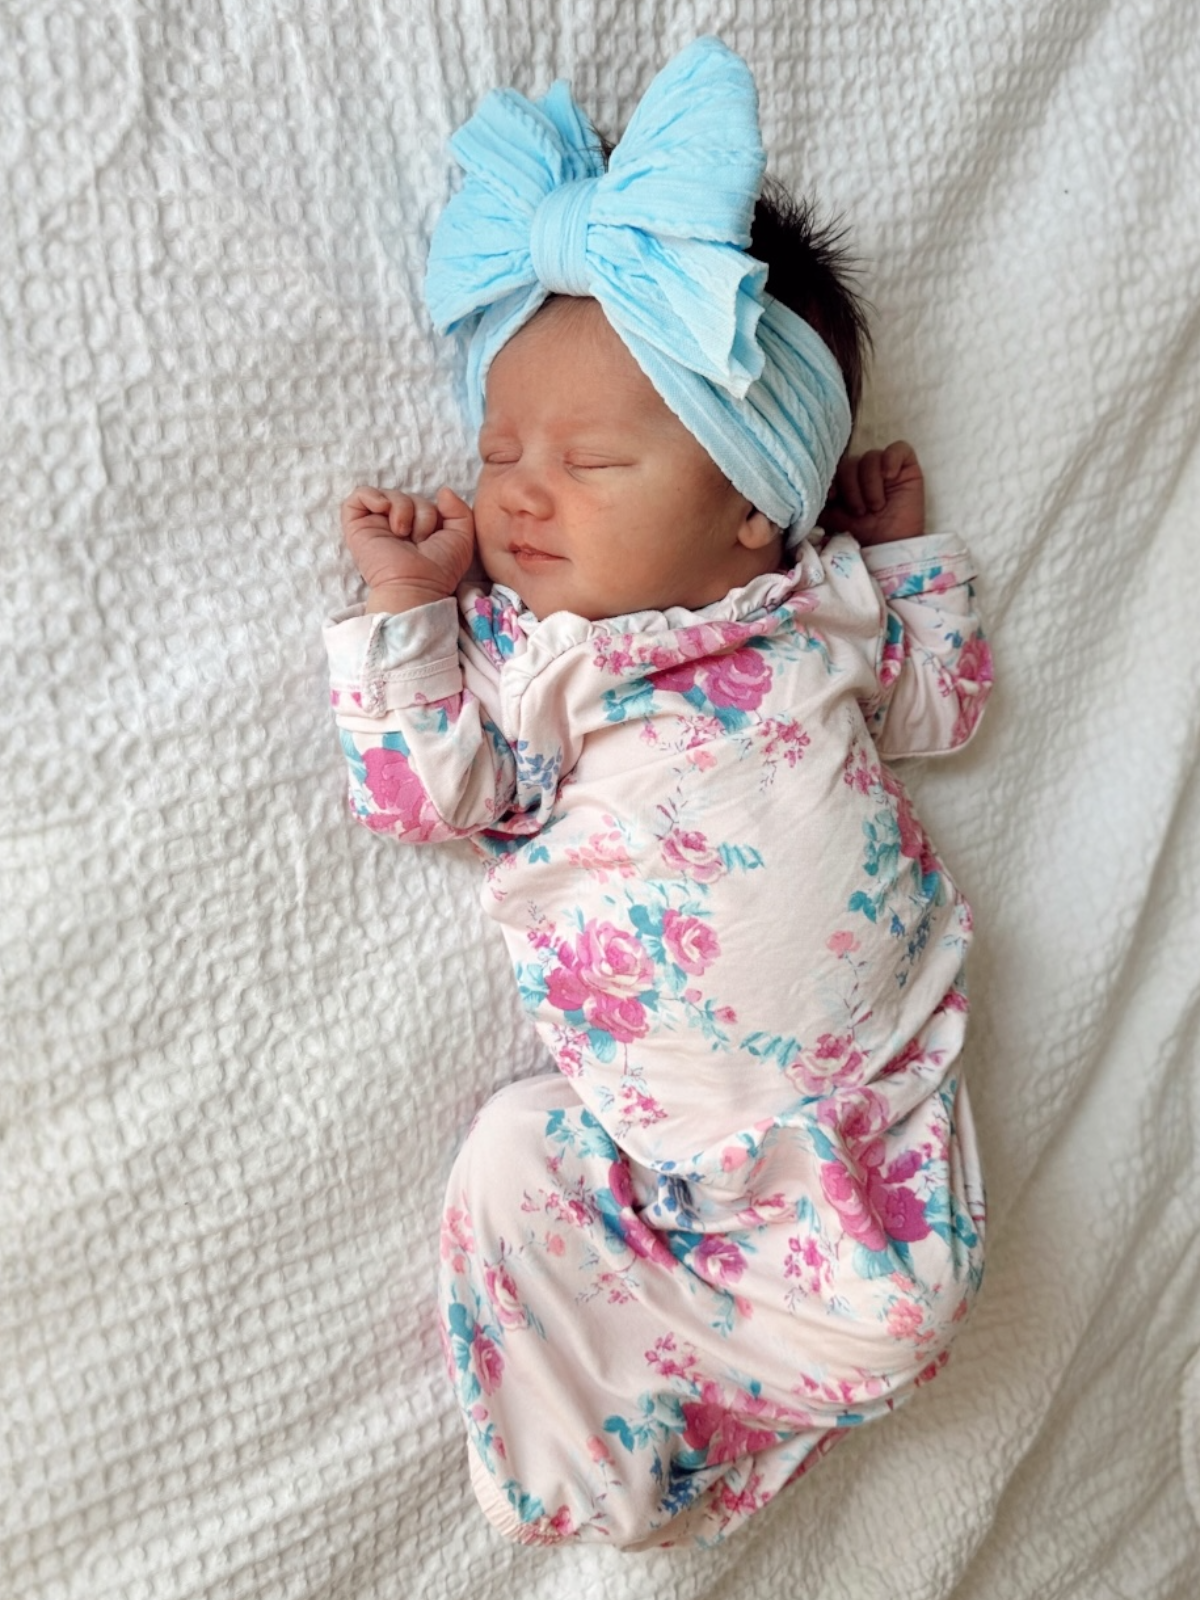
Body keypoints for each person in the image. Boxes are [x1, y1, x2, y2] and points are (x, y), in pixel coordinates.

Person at [324, 37, 993, 1548]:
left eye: (587, 460)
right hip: (667, 1148)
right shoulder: (531, 661)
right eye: (500, 447)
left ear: (760, 501)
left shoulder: (817, 613)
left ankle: (743, 1402)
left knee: (905, 1319)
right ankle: (619, 1449)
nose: (515, 490)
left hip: (884, 1109)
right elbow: (424, 793)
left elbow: (943, 709)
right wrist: (402, 613)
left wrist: (902, 565)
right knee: (511, 1160)